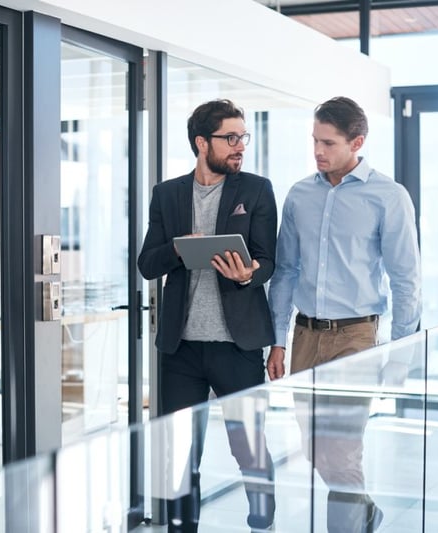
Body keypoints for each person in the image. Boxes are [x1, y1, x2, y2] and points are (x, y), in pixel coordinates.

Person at [267, 96, 421, 533]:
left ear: (357, 142)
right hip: (305, 336)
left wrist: (399, 354)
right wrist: (278, 339)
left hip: (356, 338)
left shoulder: (388, 197)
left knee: (344, 448)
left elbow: (405, 279)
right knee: (314, 448)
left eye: (328, 143)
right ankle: (365, 511)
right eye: (315, 140)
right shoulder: (299, 195)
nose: (318, 151)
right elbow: (285, 271)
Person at [138, 98, 277, 532]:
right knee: (179, 454)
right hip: (181, 349)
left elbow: (268, 260)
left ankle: (262, 522)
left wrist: (248, 274)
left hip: (238, 345)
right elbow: (147, 264)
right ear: (202, 143)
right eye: (230, 138)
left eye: (243, 137)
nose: (240, 146)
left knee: (249, 448)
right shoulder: (167, 194)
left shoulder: (256, 189)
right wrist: (180, 249)